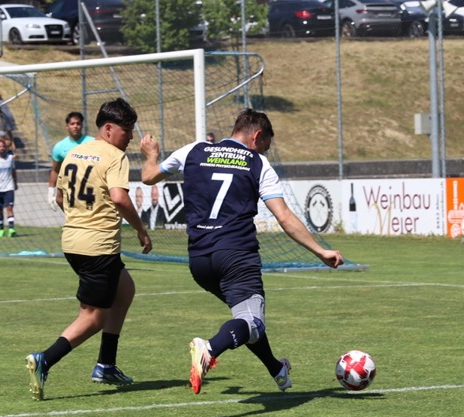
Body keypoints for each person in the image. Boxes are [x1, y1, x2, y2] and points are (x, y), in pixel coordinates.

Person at [140, 108, 344, 395]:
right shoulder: (257, 163)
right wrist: (320, 251)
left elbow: (149, 176)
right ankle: (209, 349)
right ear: (257, 136)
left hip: (199, 262)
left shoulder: (193, 150)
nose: (264, 151)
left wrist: (151, 154)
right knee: (251, 321)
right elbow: (284, 217)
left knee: (245, 318)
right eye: (265, 146)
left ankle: (277, 369)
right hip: (236, 256)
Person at [24, 98, 153, 400]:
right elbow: (119, 198)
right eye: (126, 130)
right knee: (93, 316)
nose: (130, 137)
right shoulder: (115, 156)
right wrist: (141, 229)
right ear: (108, 129)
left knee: (125, 289)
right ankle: (45, 359)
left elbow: (59, 198)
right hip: (98, 246)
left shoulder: (74, 152)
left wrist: (80, 219)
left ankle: (106, 364)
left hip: (72, 241)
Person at [46, 111, 94, 209]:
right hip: (71, 191)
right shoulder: (60, 147)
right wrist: (51, 191)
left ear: (82, 125)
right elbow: (55, 170)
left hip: (91, 190)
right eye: (72, 124)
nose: (75, 126)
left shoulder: (93, 142)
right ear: (67, 126)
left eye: (78, 123)